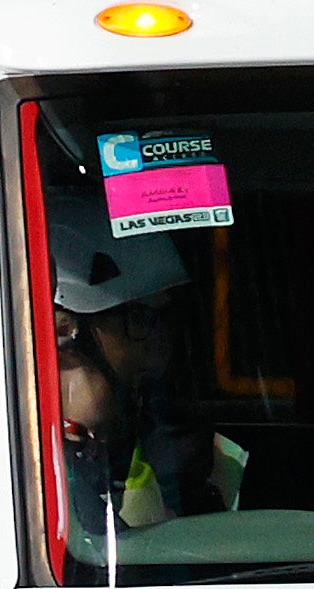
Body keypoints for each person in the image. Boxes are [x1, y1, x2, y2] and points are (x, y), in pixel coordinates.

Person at [38, 181, 247, 546]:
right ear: (63, 328)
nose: (159, 347)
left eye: (162, 320)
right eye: (138, 320)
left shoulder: (166, 446)